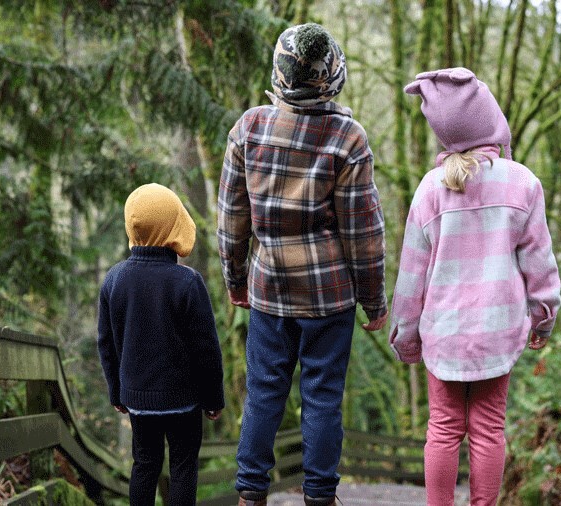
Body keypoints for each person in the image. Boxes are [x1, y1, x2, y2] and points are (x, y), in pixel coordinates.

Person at [217, 23, 388, 506]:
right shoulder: (347, 138)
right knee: (322, 396)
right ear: (332, 77)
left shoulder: (249, 128)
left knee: (264, 392)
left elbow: (233, 219)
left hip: (269, 289)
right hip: (330, 297)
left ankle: (250, 492)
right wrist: (374, 300)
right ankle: (319, 496)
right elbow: (363, 231)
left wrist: (235, 278)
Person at [390, 67, 561, 506]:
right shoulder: (522, 182)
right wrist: (542, 317)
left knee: (443, 428)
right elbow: (539, 262)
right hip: (496, 330)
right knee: (489, 428)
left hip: (444, 332)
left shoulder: (430, 190)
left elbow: (412, 275)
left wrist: (406, 334)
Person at [97, 183, 225, 506]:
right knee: (183, 467)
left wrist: (117, 391)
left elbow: (107, 344)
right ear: (173, 225)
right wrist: (213, 398)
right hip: (183, 400)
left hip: (138, 399)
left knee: (145, 465)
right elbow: (206, 348)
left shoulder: (114, 280)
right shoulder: (187, 282)